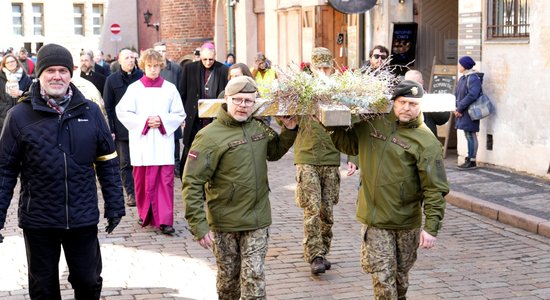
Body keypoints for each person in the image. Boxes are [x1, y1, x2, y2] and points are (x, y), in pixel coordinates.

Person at [0, 43, 125, 299]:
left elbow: (107, 159)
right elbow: (5, 170)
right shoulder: (19, 115)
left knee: (89, 281)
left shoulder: (90, 112)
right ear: (40, 74)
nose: (57, 76)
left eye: (63, 70)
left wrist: (115, 205)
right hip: (40, 219)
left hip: (82, 215)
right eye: (50, 70)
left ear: (71, 73)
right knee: (43, 288)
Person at [328, 80, 449, 299]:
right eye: (402, 102)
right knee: (383, 280)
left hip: (406, 222)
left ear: (420, 106)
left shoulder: (427, 142)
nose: (407, 108)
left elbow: (435, 189)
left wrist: (431, 228)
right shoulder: (373, 124)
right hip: (375, 221)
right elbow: (350, 145)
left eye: (413, 104)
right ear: (394, 102)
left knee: (400, 279)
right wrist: (329, 124)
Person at [182, 76, 298, 299]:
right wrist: (199, 224)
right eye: (238, 100)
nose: (243, 106)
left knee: (254, 276)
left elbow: (274, 152)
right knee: (229, 281)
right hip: (225, 222)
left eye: (248, 101)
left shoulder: (259, 128)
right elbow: (192, 182)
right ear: (226, 99)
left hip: (257, 219)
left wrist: (289, 130)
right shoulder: (208, 136)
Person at [293, 47, 356, 275]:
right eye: (318, 67)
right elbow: (287, 120)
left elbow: (353, 125)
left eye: (326, 67)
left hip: (331, 157)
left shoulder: (341, 90)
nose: (322, 71)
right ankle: (315, 255)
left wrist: (353, 156)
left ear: (332, 67)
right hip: (307, 156)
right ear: (312, 66)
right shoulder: (300, 90)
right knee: (311, 208)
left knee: (327, 210)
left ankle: (323, 250)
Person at [116, 49, 186, 235]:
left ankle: (165, 220)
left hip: (163, 143)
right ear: (143, 66)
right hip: (143, 143)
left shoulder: (170, 88)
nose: (153, 70)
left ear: (161, 66)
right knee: (142, 182)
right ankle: (145, 214)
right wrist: (145, 121)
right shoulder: (134, 89)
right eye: (149, 66)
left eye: (156, 66)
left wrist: (162, 121)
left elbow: (179, 113)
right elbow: (122, 112)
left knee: (165, 182)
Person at [179, 42, 229, 177]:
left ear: (215, 56)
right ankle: (186, 174)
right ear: (200, 56)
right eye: (205, 59)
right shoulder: (190, 69)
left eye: (211, 59)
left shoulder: (223, 70)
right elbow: (182, 94)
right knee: (191, 148)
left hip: (214, 118)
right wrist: (182, 115)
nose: (208, 62)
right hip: (194, 117)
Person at [104, 48, 144, 207]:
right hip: (122, 130)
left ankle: (142, 190)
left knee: (140, 161)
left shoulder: (142, 77)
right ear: (119, 61)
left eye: (133, 57)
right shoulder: (112, 80)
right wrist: (111, 129)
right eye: (127, 58)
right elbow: (109, 107)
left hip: (141, 127)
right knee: (125, 162)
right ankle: (131, 193)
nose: (130, 60)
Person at [153, 42, 185, 176]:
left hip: (172, 109)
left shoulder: (176, 69)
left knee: (175, 138)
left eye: (163, 50)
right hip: (155, 110)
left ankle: (176, 165)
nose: (161, 53)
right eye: (158, 51)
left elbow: (182, 90)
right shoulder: (151, 69)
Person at [454, 56, 483, 170]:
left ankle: (472, 160)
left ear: (465, 66)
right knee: (467, 134)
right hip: (463, 111)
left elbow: (472, 95)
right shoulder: (463, 78)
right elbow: (458, 95)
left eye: (460, 64)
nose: (458, 66)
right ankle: (469, 158)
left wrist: (460, 108)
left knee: (471, 134)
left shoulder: (473, 78)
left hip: (470, 111)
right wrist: (457, 108)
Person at [404, 69, 450, 136]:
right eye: (409, 83)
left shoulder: (431, 98)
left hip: (427, 140)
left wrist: (430, 103)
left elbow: (442, 119)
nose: (412, 86)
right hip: (405, 140)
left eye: (416, 83)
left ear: (422, 83)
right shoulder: (399, 99)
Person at [0, 53, 32, 133]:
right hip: (3, 116)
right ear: (4, 65)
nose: (11, 64)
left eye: (12, 61)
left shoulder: (25, 78)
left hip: (22, 115)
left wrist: (22, 93)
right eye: (8, 62)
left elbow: (33, 95)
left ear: (16, 62)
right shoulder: (0, 78)